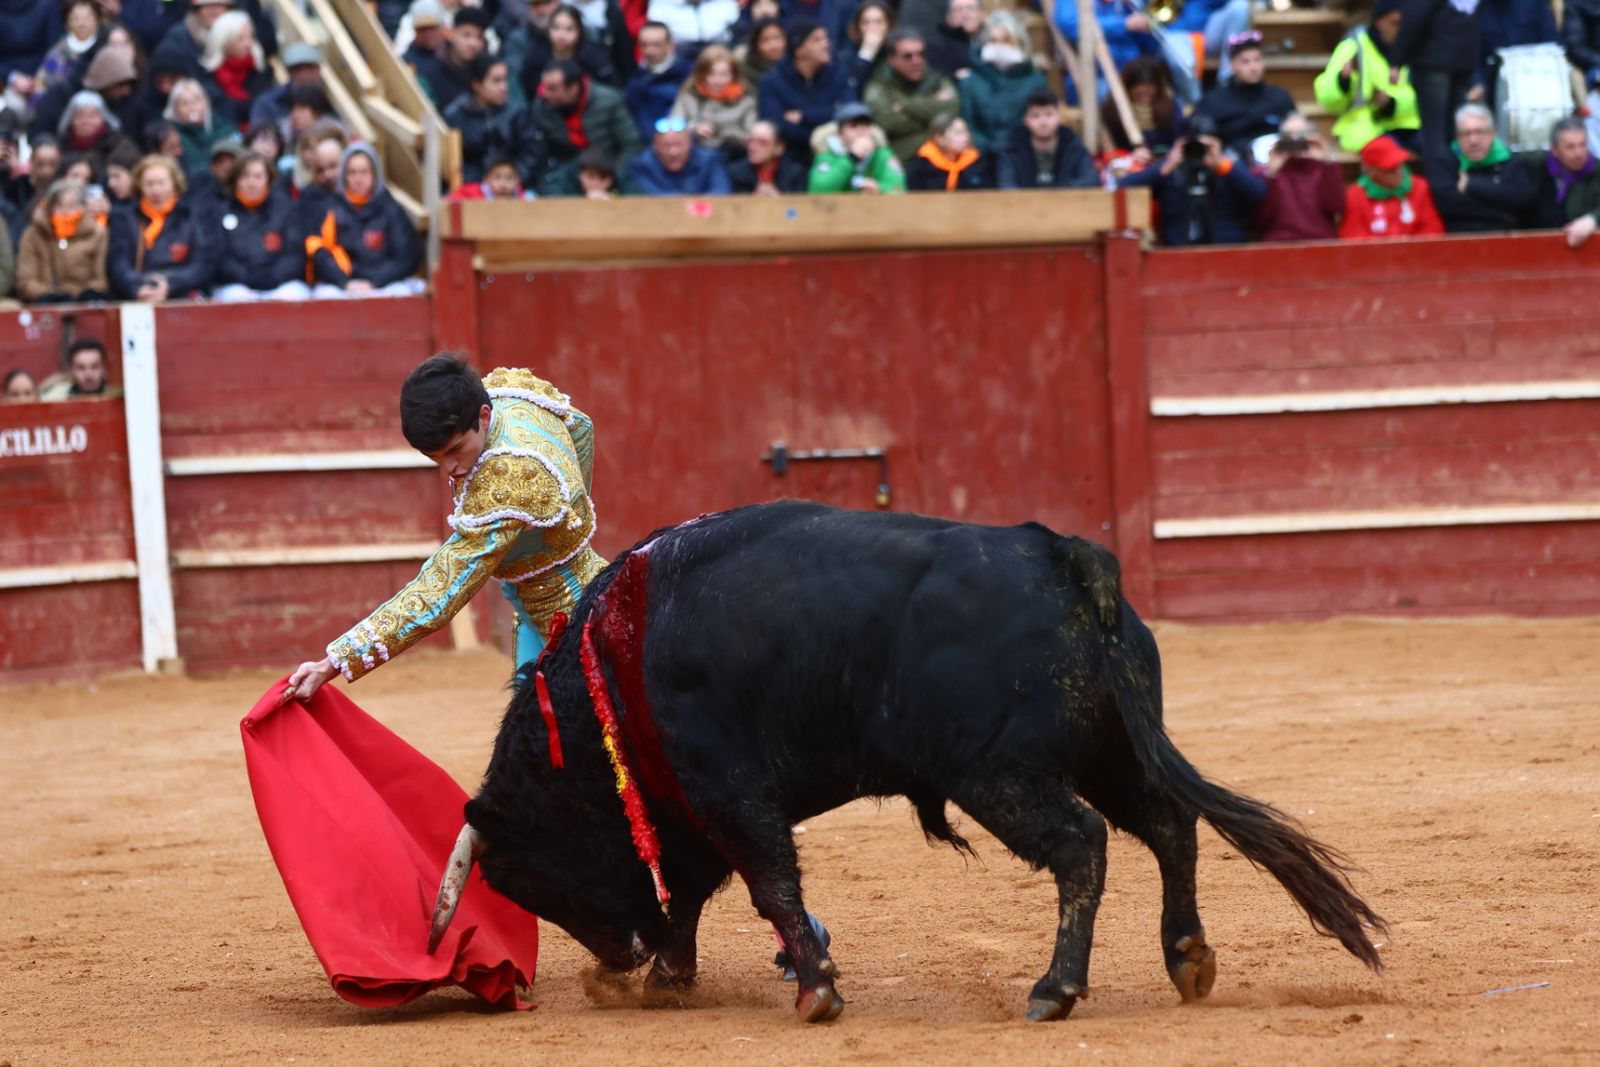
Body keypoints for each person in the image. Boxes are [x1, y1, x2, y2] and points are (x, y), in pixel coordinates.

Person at [281, 355, 606, 699]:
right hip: (563, 600)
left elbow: (440, 591)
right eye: (434, 457)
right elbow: (580, 427)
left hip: (572, 624)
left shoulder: (506, 480)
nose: (449, 468)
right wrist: (567, 518)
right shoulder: (511, 396)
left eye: (455, 449)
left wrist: (333, 662)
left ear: (483, 416)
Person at [1119, 114, 1267, 245]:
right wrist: (1163, 169)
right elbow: (1122, 190)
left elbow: (1259, 195)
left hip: (1226, 248)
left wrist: (1223, 166)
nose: (1199, 152)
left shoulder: (1227, 167)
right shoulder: (1170, 168)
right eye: (1193, 146)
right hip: (1177, 251)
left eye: (1206, 146)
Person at [307, 143, 424, 298]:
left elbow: (406, 256)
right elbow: (319, 251)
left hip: (383, 283)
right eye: (352, 172)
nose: (358, 178)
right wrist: (344, 282)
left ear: (374, 175)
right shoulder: (331, 209)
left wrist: (374, 281)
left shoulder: (390, 208)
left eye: (364, 172)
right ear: (344, 175)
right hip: (344, 285)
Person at [1314, 0, 1420, 155]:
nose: (1400, 29)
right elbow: (1327, 101)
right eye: (1395, 23)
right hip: (1363, 126)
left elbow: (1424, 96)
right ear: (1379, 21)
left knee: (1441, 148)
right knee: (1388, 152)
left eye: (1404, 24)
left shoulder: (1415, 47)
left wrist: (1391, 104)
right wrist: (1342, 82)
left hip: (1405, 124)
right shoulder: (1353, 45)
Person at [106, 153, 216, 301]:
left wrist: (170, 284)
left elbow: (203, 264)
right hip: (139, 294)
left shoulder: (192, 215)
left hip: (183, 294)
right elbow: (118, 263)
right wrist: (138, 287)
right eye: (149, 184)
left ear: (174, 183)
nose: (156, 190)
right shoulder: (125, 218)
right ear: (139, 185)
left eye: (161, 183)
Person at [1394, 0, 1482, 174]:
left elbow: (1415, 17)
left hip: (1433, 61)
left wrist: (1396, 58)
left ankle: (1442, 184)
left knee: (1434, 135)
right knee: (1456, 131)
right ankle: (1461, 179)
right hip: (1464, 60)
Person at [529, 60, 643, 194]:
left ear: (573, 89)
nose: (545, 93)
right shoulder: (541, 108)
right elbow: (538, 151)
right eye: (544, 87)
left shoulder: (609, 101)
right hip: (567, 175)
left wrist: (611, 177)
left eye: (552, 88)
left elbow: (631, 144)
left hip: (610, 170)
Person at [211, 150, 309, 302]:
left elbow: (295, 254)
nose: (251, 183)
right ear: (235, 179)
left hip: (279, 284)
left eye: (258, 177)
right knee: (234, 296)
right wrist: (248, 277)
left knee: (295, 294)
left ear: (268, 179)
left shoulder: (285, 209)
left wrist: (273, 276)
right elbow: (218, 256)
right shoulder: (221, 211)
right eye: (245, 176)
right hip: (238, 286)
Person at [1427, 102, 1535, 232]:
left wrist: (1471, 185)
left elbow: (1522, 200)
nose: (1473, 141)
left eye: (1480, 132)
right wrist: (1500, 213)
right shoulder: (1445, 162)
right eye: (1466, 134)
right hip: (1459, 237)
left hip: (1505, 237)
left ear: (1493, 134)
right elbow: (1447, 206)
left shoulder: (1513, 162)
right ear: (1458, 137)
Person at [759, 19, 854, 166]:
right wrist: (821, 131)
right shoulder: (772, 81)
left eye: (825, 38)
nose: (826, 45)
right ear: (799, 50)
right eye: (817, 40)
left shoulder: (839, 73)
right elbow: (777, 125)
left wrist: (804, 116)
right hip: (791, 158)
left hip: (837, 152)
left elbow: (849, 112)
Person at [1194, 31, 1297, 162]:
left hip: (1277, 161)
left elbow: (1298, 128)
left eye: (1257, 60)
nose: (1253, 67)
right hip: (1232, 165)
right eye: (1245, 62)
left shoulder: (1280, 97)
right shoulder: (1213, 101)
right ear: (1231, 65)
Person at [446, 54, 548, 186]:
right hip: (472, 188)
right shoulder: (456, 115)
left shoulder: (517, 112)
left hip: (514, 187)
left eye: (505, 80)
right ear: (477, 85)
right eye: (496, 81)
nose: (504, 87)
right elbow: (455, 161)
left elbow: (531, 152)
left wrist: (513, 179)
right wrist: (483, 184)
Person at [863, 28, 959, 162]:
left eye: (921, 54)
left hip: (940, 160)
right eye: (908, 56)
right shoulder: (879, 85)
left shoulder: (934, 78)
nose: (916, 61)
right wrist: (932, 110)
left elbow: (953, 109)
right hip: (901, 160)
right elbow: (887, 122)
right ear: (892, 58)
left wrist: (905, 105)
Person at [960, 11, 1047, 154]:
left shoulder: (1035, 81)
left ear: (1019, 43)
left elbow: (1039, 121)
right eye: (993, 41)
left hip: (1024, 153)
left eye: (1006, 40)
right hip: (984, 154)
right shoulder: (971, 82)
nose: (999, 47)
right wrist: (989, 148)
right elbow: (969, 124)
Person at [15, 179, 110, 303]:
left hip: (83, 303)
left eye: (71, 206)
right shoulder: (33, 234)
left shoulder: (97, 233)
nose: (65, 212)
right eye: (59, 206)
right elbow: (25, 280)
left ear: (83, 208)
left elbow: (100, 279)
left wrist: (84, 296)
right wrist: (47, 295)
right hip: (42, 304)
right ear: (49, 207)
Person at [1254, 112, 1345, 242]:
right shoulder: (1266, 171)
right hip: (1279, 244)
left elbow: (1336, 207)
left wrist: (1328, 163)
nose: (1295, 141)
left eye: (1302, 135)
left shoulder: (1322, 168)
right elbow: (1261, 218)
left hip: (1319, 242)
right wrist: (1271, 173)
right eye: (1288, 136)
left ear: (1312, 138)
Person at [1340, 133, 1444, 238]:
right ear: (1371, 170)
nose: (1398, 172)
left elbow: (1434, 230)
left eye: (1399, 165)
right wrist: (1389, 243)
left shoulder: (1419, 186)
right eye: (1390, 168)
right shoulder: (1356, 194)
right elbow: (1352, 236)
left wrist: (1406, 243)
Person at [1521, 115, 1600, 245]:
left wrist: (1593, 219)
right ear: (1555, 150)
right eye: (1570, 147)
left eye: (1582, 145)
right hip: (1537, 245)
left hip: (1584, 246)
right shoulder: (1536, 166)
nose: (1579, 153)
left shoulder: (1597, 170)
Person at [996, 89, 1098, 189]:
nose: (1043, 122)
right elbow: (1006, 185)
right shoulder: (1011, 148)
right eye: (1035, 116)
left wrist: (1058, 192)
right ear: (1026, 120)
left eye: (1049, 114)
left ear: (1059, 117)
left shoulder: (1073, 145)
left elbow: (1091, 180)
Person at [669, 45, 755, 156]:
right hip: (692, 155)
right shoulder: (688, 96)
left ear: (733, 75)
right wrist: (695, 129)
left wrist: (726, 134)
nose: (717, 80)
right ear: (701, 74)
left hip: (732, 156)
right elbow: (673, 125)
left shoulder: (746, 101)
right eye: (711, 74)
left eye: (724, 74)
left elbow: (751, 137)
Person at [808, 101, 906, 194]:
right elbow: (818, 190)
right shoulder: (827, 156)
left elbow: (898, 189)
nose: (860, 130)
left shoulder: (882, 155)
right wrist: (852, 158)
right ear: (840, 134)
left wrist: (879, 189)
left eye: (865, 125)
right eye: (853, 126)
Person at [522, 3, 622, 92]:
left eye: (569, 29)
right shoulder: (536, 58)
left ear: (579, 32)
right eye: (556, 28)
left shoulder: (595, 58)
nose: (561, 35)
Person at [202, 9, 274, 129]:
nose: (248, 44)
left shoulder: (260, 71)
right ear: (223, 41)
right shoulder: (207, 76)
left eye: (250, 36)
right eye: (240, 38)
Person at [415, 6, 493, 111]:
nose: (473, 43)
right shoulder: (430, 72)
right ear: (451, 34)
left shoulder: (487, 70)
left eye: (479, 37)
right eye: (466, 35)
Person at [627, 116, 732, 193]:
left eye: (679, 145)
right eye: (666, 146)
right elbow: (647, 198)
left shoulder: (710, 160)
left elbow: (721, 192)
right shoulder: (642, 166)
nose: (673, 152)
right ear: (655, 147)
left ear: (690, 144)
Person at [624, 21, 691, 142]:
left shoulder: (688, 74)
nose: (649, 50)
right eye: (644, 44)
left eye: (656, 45)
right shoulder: (633, 77)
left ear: (670, 45)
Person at [30, 0, 104, 109]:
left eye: (87, 18)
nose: (81, 24)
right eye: (75, 18)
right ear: (67, 23)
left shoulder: (104, 49)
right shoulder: (57, 53)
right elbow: (42, 84)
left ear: (97, 20)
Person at [1104, 56, 1181, 155]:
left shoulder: (1170, 108)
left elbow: (1178, 140)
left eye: (1149, 94)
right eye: (1139, 95)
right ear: (1127, 90)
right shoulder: (1114, 111)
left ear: (1158, 90)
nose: (1144, 99)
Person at [249, 41, 323, 140]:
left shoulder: (327, 101)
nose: (304, 74)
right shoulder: (267, 103)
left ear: (318, 69)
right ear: (288, 72)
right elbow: (259, 139)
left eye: (309, 68)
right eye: (298, 69)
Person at [56, 90, 137, 179]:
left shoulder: (121, 146)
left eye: (92, 115)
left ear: (104, 118)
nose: (86, 121)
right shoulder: (59, 148)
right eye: (80, 115)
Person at [166, 77, 236, 178]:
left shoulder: (225, 129)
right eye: (184, 103)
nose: (191, 107)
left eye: (196, 101)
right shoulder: (172, 136)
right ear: (175, 109)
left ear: (206, 104)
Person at [905, 112, 991, 190]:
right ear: (940, 138)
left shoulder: (977, 161)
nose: (966, 138)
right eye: (958, 133)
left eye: (966, 131)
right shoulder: (920, 166)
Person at [154, 0, 233, 83]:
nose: (214, 10)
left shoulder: (237, 36)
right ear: (196, 9)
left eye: (219, 5)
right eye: (207, 6)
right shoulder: (178, 39)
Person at [727, 119, 807, 193]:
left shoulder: (795, 174)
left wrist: (778, 200)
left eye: (762, 142)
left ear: (779, 148)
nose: (752, 147)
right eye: (750, 141)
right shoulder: (735, 172)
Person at [646, 0, 740, 58]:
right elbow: (655, 32)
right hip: (678, 54)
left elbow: (737, 29)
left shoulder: (725, 3)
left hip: (721, 50)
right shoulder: (661, 3)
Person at [842, 0, 895, 98]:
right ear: (858, 27)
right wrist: (866, 54)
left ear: (889, 24)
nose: (872, 28)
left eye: (878, 22)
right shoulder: (846, 57)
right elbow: (851, 88)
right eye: (866, 22)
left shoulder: (898, 51)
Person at [927, 0, 985, 80]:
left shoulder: (993, 39)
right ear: (949, 17)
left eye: (971, 8)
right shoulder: (937, 46)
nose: (965, 14)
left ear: (982, 14)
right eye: (959, 9)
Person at [39, 337, 111, 400]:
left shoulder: (115, 398)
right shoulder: (54, 398)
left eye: (95, 367)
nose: (88, 375)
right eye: (81, 368)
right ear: (71, 370)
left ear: (104, 368)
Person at [451, 154, 541, 199]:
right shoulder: (471, 195)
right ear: (486, 179)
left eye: (509, 178)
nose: (503, 184)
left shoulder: (525, 199)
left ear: (517, 181)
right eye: (497, 177)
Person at [735, 16, 786, 85]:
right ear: (756, 45)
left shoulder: (796, 67)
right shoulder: (746, 71)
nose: (773, 46)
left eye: (777, 38)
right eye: (765, 40)